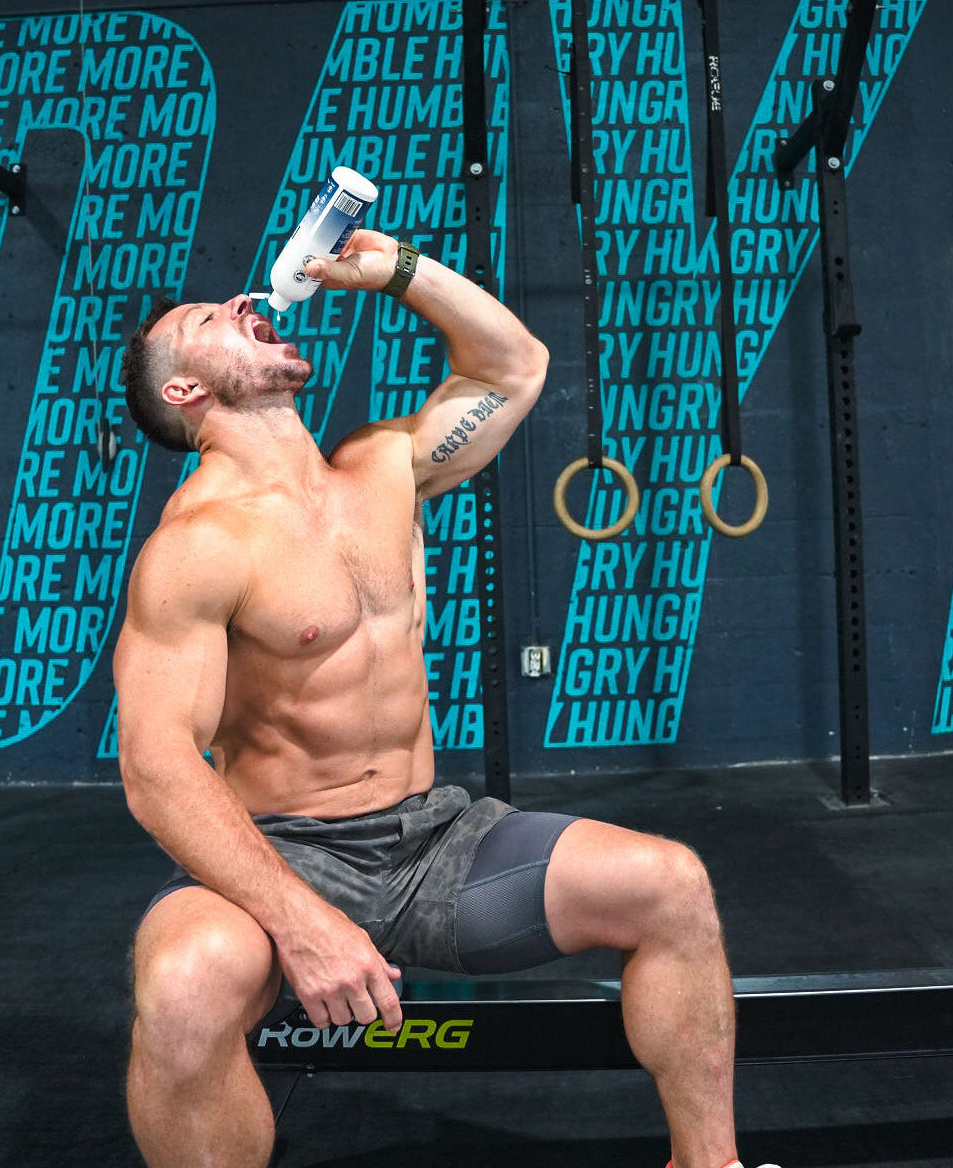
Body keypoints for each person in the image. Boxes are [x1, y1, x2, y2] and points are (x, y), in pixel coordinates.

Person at [113, 227, 774, 1168]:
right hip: (283, 854)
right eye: (205, 321)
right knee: (180, 985)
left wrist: (397, 271)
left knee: (670, 885)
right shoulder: (195, 549)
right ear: (185, 391)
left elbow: (517, 366)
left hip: (429, 841)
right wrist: (305, 922)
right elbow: (156, 768)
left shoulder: (380, 467)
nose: (238, 304)